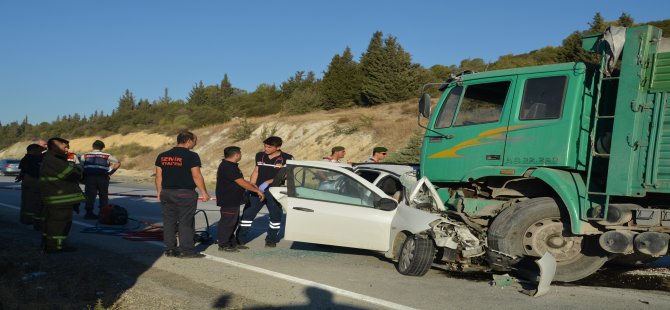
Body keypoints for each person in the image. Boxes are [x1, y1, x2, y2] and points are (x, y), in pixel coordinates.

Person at [155, 131, 211, 258]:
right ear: (188, 141)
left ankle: (170, 249)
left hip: (167, 193)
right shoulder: (192, 156)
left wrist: (159, 192)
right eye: (195, 141)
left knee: (169, 222)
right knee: (186, 222)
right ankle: (186, 250)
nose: (196, 143)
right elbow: (196, 175)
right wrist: (204, 193)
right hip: (185, 193)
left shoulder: (162, 155)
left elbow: (159, 176)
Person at [237, 136, 293, 248]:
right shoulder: (259, 155)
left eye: (269, 147)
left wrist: (269, 181)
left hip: (274, 191)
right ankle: (239, 240)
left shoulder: (288, 158)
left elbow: (288, 175)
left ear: (278, 147)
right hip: (257, 190)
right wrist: (251, 186)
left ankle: (271, 240)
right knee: (247, 215)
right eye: (265, 146)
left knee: (275, 217)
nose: (266, 148)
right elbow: (256, 170)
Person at [39, 138, 86, 253]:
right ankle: (56, 246)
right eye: (65, 147)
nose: (67, 149)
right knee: (59, 224)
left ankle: (48, 244)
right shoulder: (54, 160)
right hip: (60, 199)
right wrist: (76, 166)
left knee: (52, 223)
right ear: (55, 146)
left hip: (56, 197)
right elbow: (72, 173)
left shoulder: (51, 158)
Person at [215, 146, 265, 252]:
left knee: (233, 221)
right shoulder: (228, 167)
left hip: (234, 199)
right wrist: (257, 191)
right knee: (228, 222)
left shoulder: (231, 165)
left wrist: (252, 184)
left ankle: (231, 242)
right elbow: (241, 182)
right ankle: (223, 244)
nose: (241, 155)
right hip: (229, 199)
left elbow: (240, 180)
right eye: (240, 153)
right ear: (236, 155)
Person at [81, 140, 121, 219]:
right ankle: (103, 213)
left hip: (89, 177)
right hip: (103, 177)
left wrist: (82, 177)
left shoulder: (85, 155)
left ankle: (89, 213)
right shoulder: (107, 155)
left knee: (90, 195)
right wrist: (111, 172)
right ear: (102, 148)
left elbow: (81, 167)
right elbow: (118, 163)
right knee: (103, 195)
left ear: (93, 147)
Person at [17, 143, 45, 226]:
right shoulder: (31, 159)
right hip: (32, 183)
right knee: (31, 203)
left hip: (30, 183)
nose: (40, 152)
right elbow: (33, 171)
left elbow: (23, 171)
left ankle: (27, 219)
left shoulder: (28, 158)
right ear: (32, 151)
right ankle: (29, 219)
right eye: (39, 151)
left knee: (28, 202)